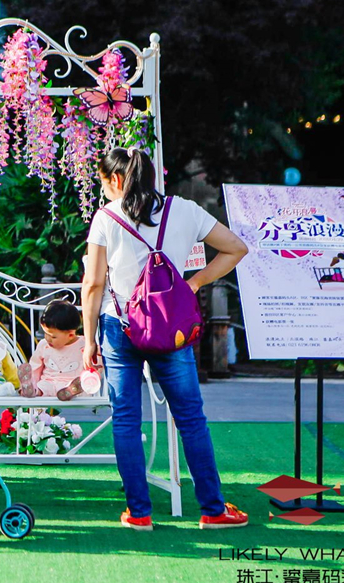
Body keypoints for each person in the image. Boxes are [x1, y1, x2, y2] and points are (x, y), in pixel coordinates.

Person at [82, 147, 250, 531]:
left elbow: (92, 285)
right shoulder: (185, 210)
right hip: (171, 329)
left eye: (103, 181)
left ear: (117, 180)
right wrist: (193, 284)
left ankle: (139, 513)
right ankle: (213, 509)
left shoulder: (106, 218)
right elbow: (236, 248)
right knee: (191, 419)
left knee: (126, 419)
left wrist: (89, 340)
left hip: (119, 326)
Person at [18, 300, 89, 400]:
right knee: (43, 386)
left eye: (52, 336)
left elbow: (94, 365)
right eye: (45, 333)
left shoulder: (84, 345)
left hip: (72, 383)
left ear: (71, 335)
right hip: (49, 381)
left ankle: (71, 390)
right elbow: (35, 367)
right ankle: (32, 390)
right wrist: (31, 381)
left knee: (78, 386)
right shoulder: (44, 345)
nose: (47, 338)